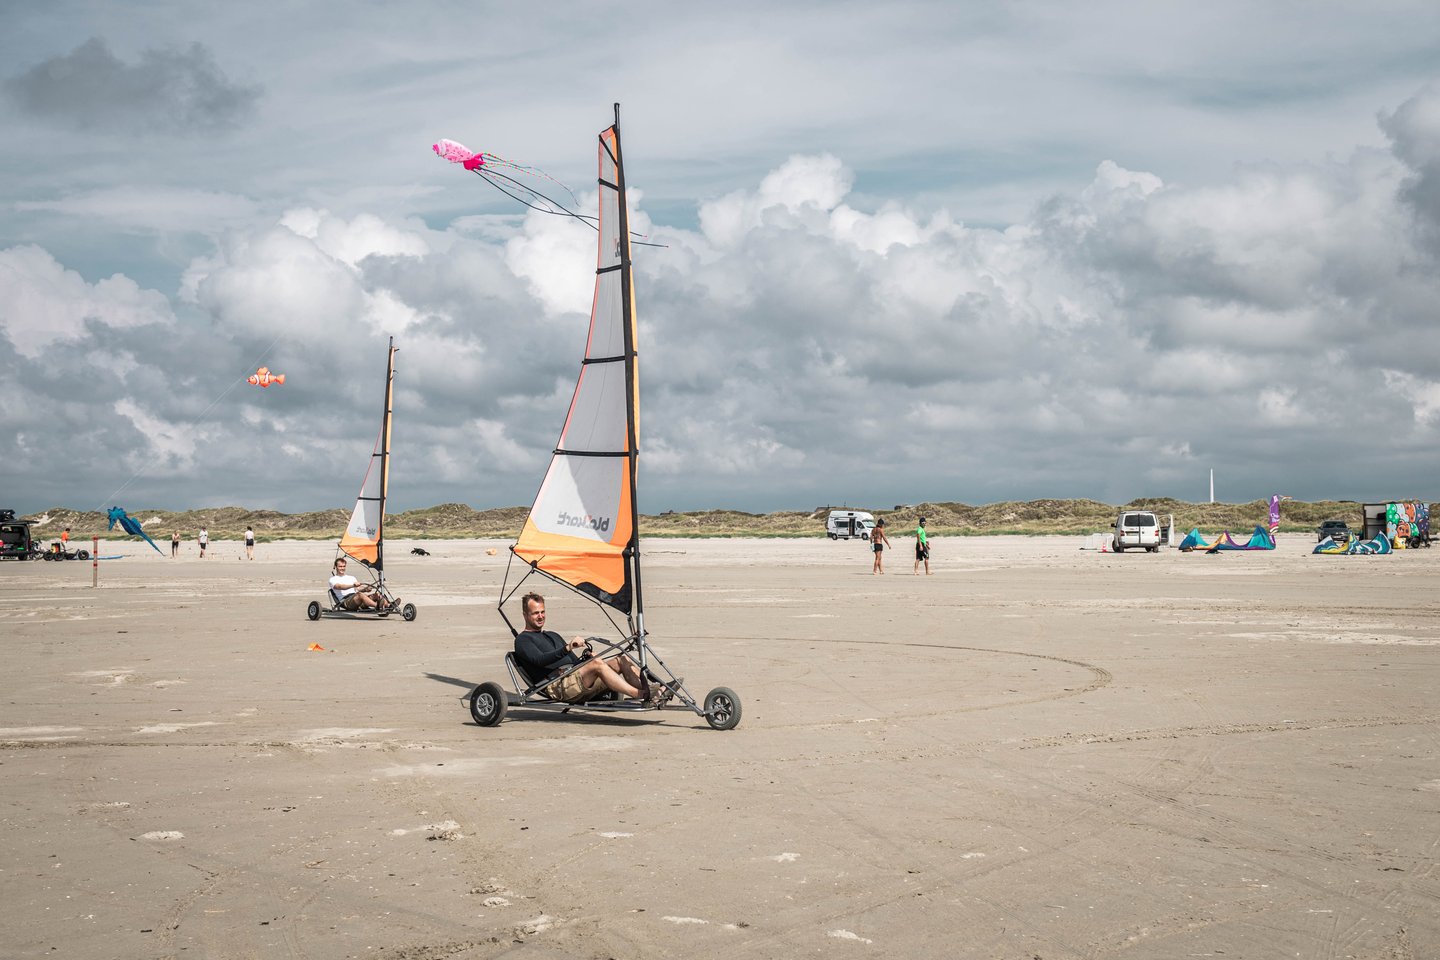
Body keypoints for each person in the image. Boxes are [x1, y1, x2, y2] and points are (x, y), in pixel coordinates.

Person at [513, 592, 670, 704]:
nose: (540, 616)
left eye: (542, 612)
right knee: (597, 665)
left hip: (575, 677)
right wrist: (567, 648)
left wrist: (587, 658)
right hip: (558, 685)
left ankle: (651, 691)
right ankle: (640, 694)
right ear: (525, 615)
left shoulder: (552, 635)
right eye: (535, 613)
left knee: (620, 659)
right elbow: (540, 660)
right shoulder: (523, 640)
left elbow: (574, 662)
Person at [327, 557, 397, 611]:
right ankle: (377, 606)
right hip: (346, 602)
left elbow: (358, 588)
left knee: (377, 595)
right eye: (340, 566)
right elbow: (339, 586)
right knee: (360, 595)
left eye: (344, 566)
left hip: (357, 599)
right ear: (335, 567)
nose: (342, 568)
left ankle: (388, 606)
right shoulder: (333, 579)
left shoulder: (351, 578)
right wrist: (352, 585)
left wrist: (366, 589)